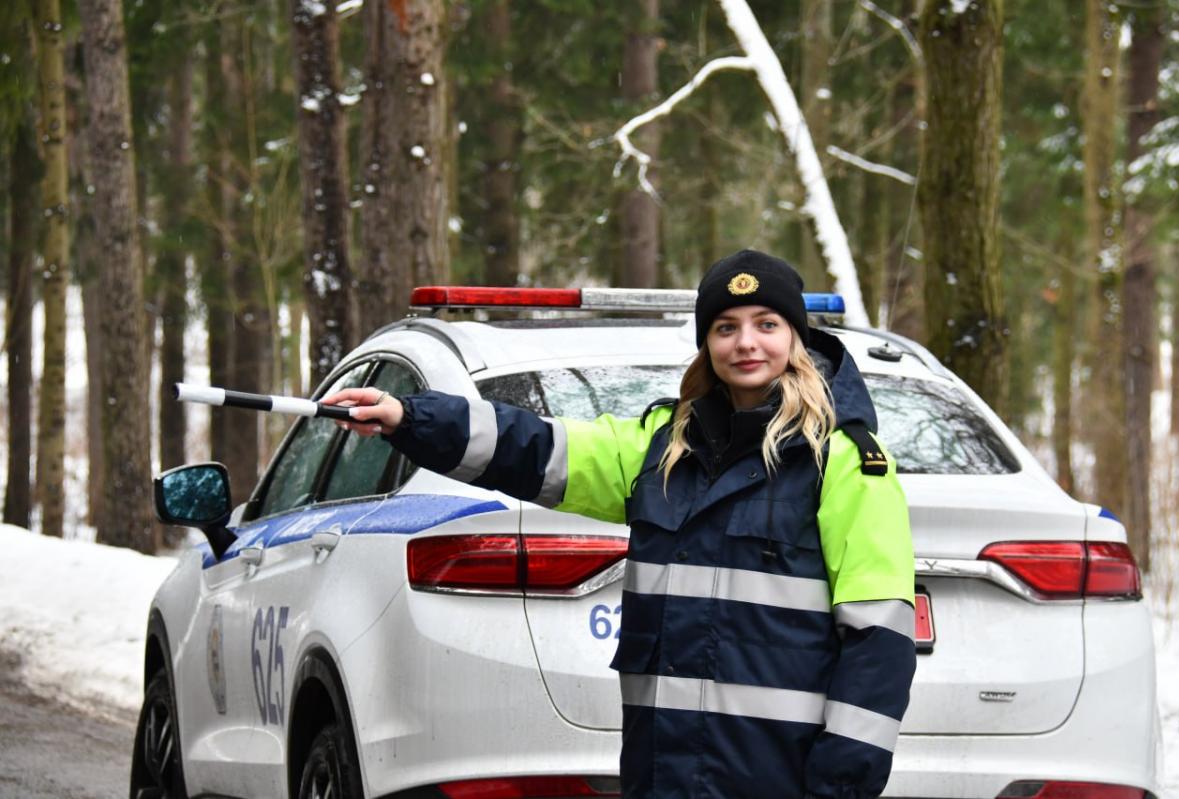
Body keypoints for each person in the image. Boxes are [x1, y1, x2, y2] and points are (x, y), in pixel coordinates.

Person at [324, 249, 916, 799]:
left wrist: (841, 783)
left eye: (767, 324)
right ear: (706, 342)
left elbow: (879, 640)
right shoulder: (663, 449)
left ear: (796, 336)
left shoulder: (843, 462)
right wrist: (410, 419)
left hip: (784, 776)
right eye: (726, 327)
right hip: (665, 773)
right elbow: (535, 449)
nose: (746, 343)